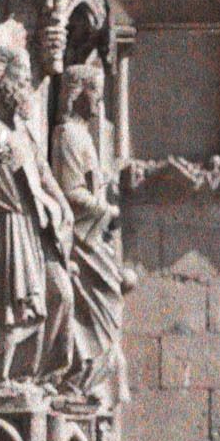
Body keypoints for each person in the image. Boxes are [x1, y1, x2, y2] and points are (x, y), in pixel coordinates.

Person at [0, 46, 73, 394]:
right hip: (5, 226)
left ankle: (31, 374)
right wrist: (7, 190)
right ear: (3, 82)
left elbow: (43, 175)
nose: (26, 91)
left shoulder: (23, 132)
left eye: (28, 82)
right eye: (21, 82)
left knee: (61, 294)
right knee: (9, 304)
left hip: (37, 228)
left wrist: (60, 205)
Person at [50, 62, 129, 402]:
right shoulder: (67, 134)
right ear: (78, 92)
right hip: (81, 240)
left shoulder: (82, 134)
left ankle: (89, 380)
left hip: (95, 239)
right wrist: (105, 210)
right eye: (95, 91)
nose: (99, 100)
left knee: (107, 308)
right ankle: (77, 377)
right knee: (95, 310)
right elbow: (70, 192)